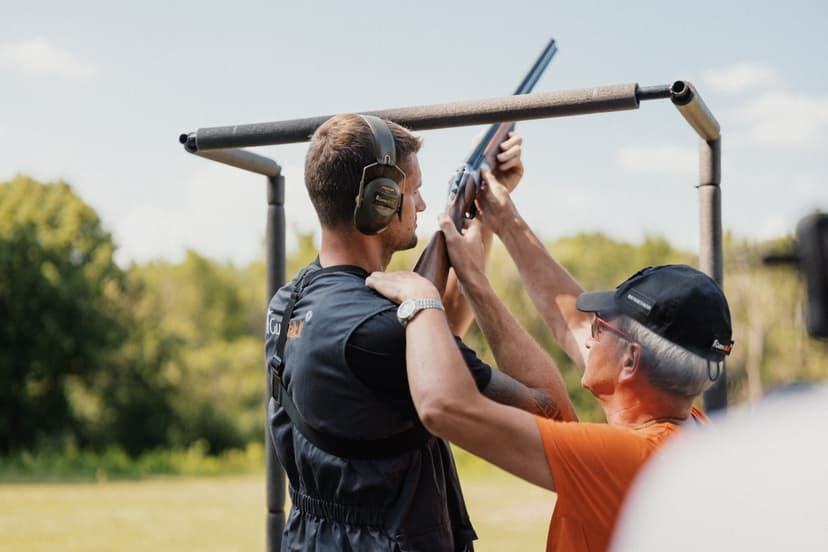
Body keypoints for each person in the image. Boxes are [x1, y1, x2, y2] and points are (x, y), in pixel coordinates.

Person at [365, 168, 735, 552]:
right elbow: (569, 318)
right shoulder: (692, 429)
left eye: (601, 328)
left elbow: (446, 407)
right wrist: (504, 221)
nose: (588, 333)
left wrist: (422, 300)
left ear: (630, 362)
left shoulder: (628, 460)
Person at [265, 114, 565, 551]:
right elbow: (550, 410)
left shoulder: (288, 301)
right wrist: (475, 284)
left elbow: (436, 347)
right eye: (413, 189)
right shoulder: (383, 331)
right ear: (380, 200)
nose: (422, 205)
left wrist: (474, 218)